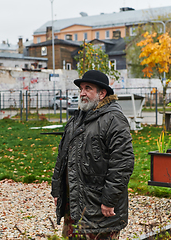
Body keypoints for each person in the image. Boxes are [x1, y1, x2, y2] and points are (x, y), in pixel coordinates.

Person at [51, 70, 135, 239]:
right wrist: (58, 191)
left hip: (99, 207)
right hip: (74, 204)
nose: (82, 93)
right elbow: (63, 157)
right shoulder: (77, 120)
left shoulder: (113, 119)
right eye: (81, 88)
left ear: (102, 93)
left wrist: (109, 200)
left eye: (88, 88)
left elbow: (123, 163)